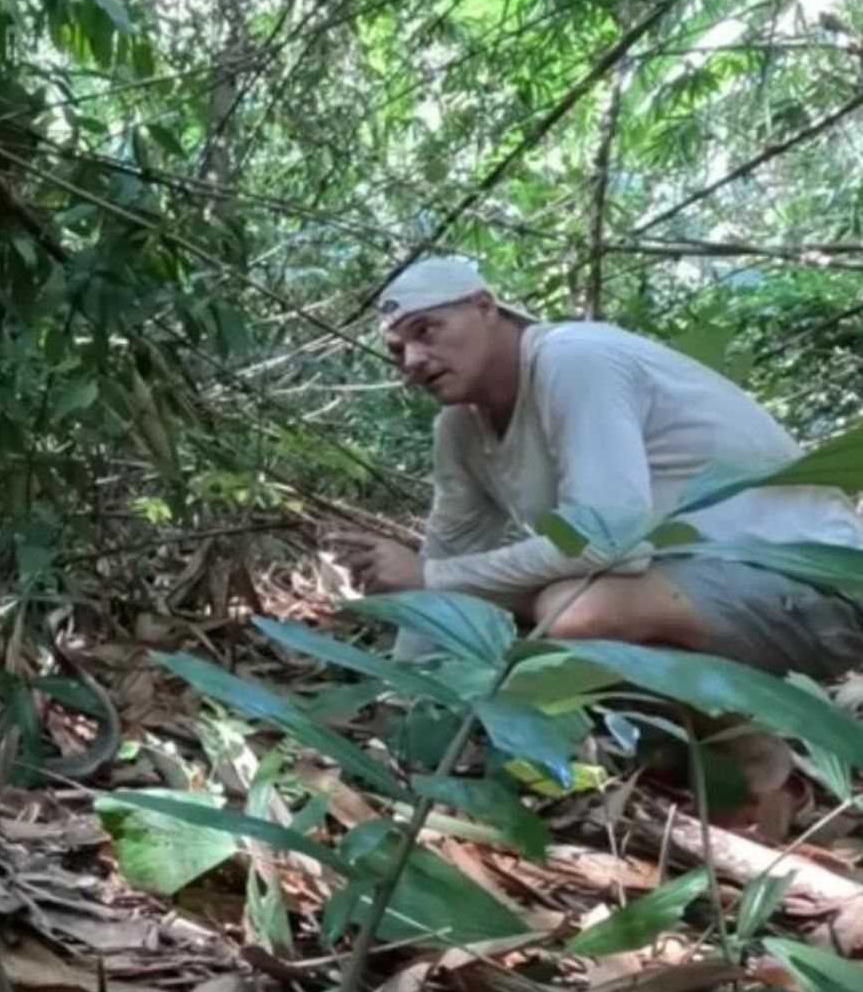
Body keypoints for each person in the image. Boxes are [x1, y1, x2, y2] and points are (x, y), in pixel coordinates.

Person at [333, 255, 863, 681]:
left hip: (815, 584)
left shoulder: (575, 359)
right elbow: (451, 552)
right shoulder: (458, 428)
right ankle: (731, 766)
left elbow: (610, 542)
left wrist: (428, 576)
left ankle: (751, 750)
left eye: (427, 330)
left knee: (570, 613)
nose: (414, 361)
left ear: (485, 307)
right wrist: (403, 692)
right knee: (512, 624)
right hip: (688, 588)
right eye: (398, 350)